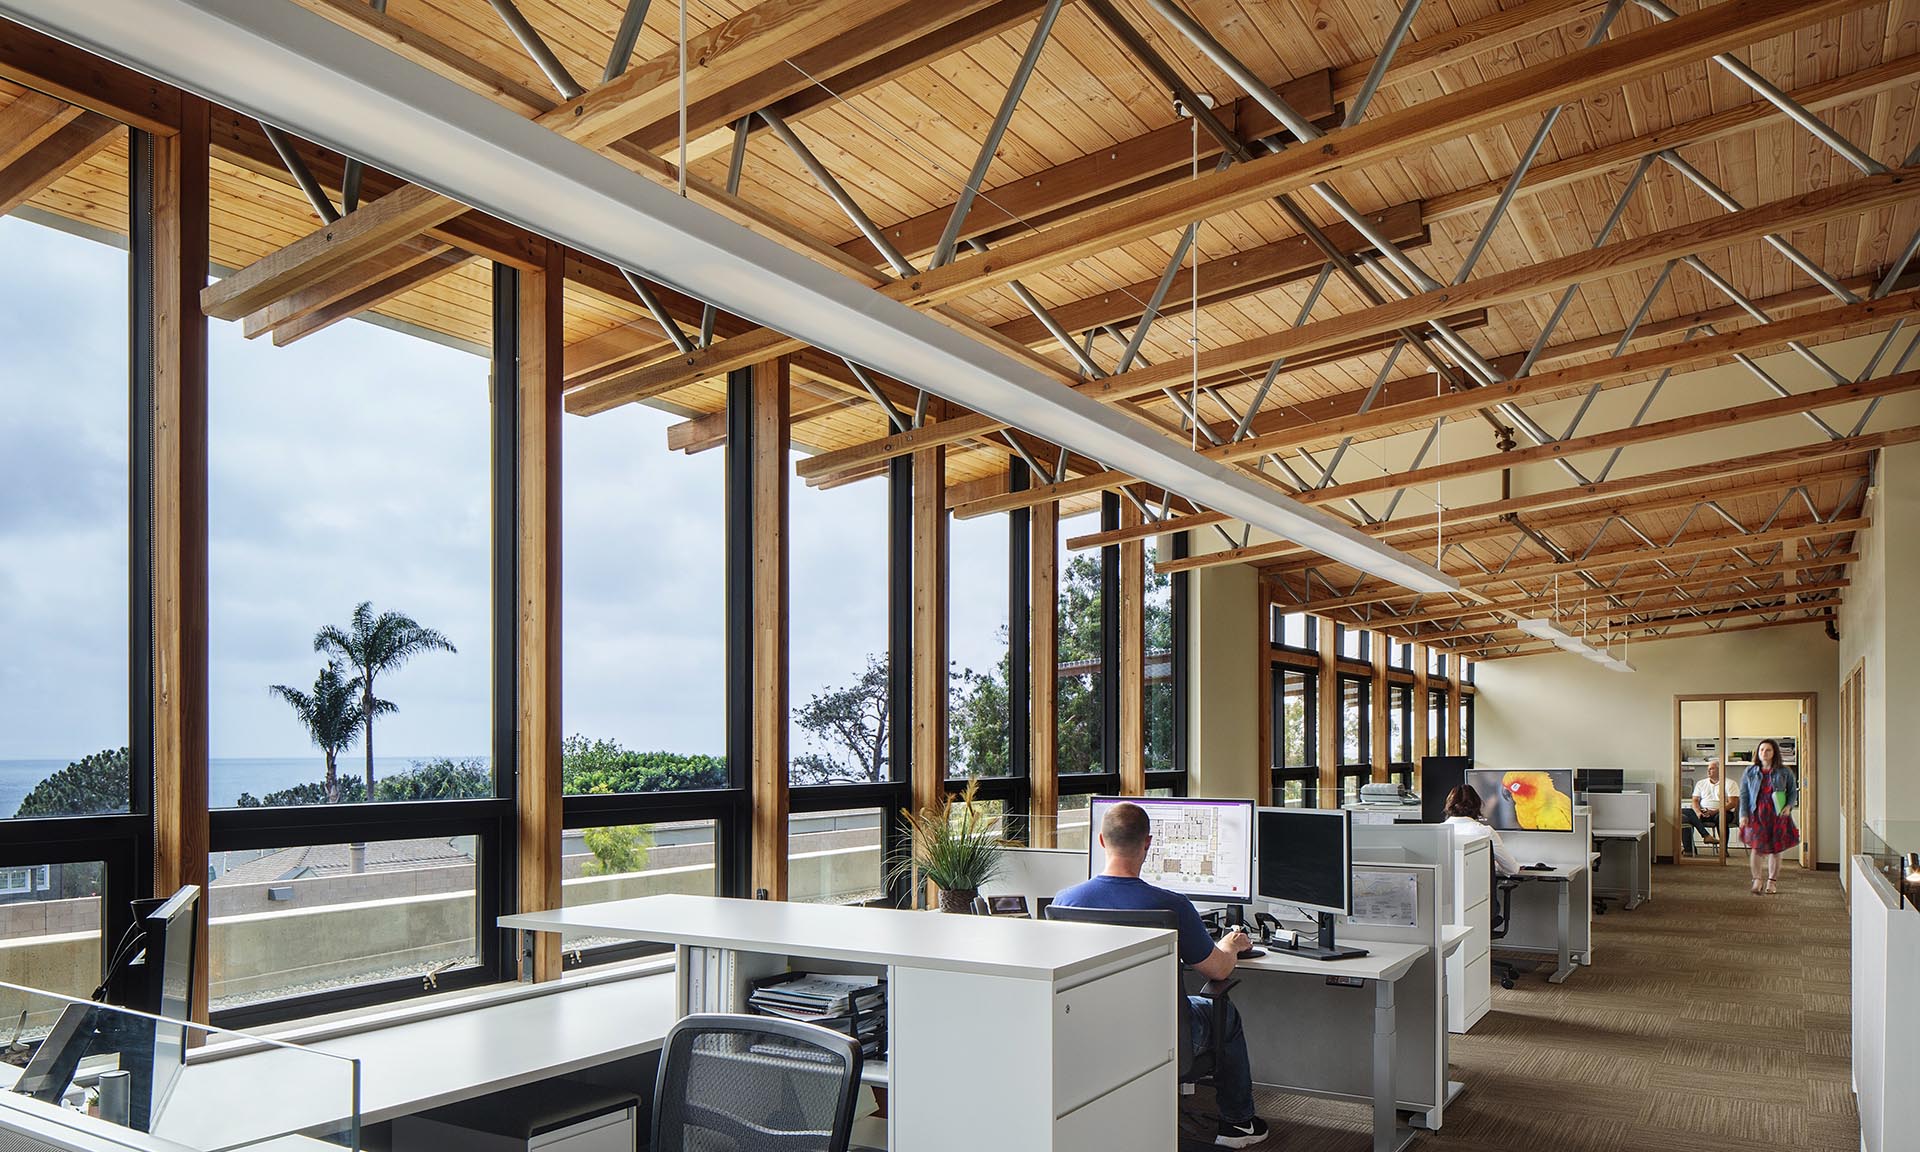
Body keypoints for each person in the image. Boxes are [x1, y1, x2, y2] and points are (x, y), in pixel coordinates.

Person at [1052, 801, 1270, 1148]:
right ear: (1148, 844)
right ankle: (1237, 1124)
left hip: (1090, 1033)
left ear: (1101, 841)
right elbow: (1217, 969)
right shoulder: (1172, 905)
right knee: (1223, 1011)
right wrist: (1230, 944)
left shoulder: (1065, 902)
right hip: (1158, 1033)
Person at [1738, 738, 1800, 895]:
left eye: (1768, 750)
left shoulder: (1784, 771)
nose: (1764, 753)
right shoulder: (1750, 772)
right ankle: (1757, 879)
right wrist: (1743, 814)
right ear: (1757, 753)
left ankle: (1772, 881)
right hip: (1756, 815)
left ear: (1774, 753)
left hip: (1777, 815)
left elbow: (1793, 792)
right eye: (1761, 750)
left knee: (1775, 850)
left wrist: (1788, 806)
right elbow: (1744, 795)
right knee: (1756, 848)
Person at [1442, 784, 1520, 875]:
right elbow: (1512, 869)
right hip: (1477, 888)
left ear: (1449, 805)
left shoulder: (1437, 832)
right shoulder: (1485, 831)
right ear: (1477, 806)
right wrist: (1494, 865)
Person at [1682, 760, 1734, 855]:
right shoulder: (1701, 783)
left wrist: (1714, 812)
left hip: (1722, 812)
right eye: (1708, 769)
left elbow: (1732, 803)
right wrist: (1698, 812)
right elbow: (1695, 800)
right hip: (1703, 812)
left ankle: (1723, 849)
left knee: (1721, 817)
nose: (1708, 771)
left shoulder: (1730, 783)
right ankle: (1690, 849)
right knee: (1684, 814)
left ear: (1720, 770)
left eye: (1711, 769)